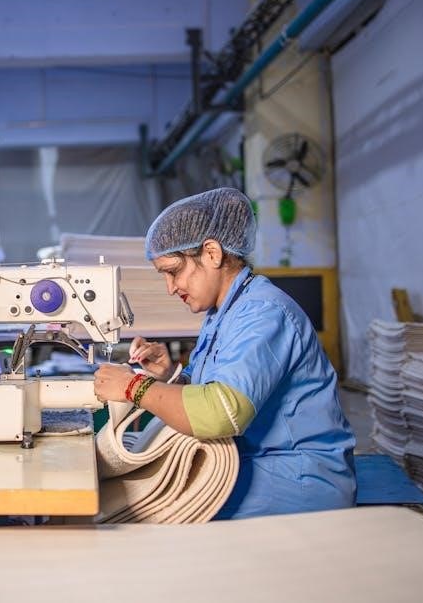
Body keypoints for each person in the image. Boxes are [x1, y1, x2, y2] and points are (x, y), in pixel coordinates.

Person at [93, 187, 356, 519]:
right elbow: (218, 388)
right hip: (253, 460)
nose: (170, 288)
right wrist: (171, 377)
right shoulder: (223, 313)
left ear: (212, 253)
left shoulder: (264, 313)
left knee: (136, 510)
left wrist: (133, 387)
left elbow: (222, 413)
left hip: (298, 476)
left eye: (173, 271)